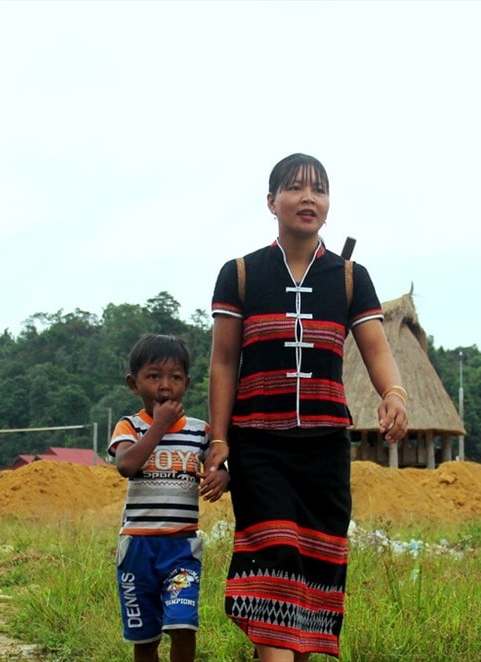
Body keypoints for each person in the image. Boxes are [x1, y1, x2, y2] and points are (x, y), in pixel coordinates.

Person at [204, 153, 409, 661]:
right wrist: (220, 439)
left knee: (315, 567)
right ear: (271, 201)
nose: (308, 198)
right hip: (260, 446)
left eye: (319, 190)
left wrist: (394, 394)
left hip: (324, 450)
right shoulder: (241, 273)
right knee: (273, 558)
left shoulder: (349, 278)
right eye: (295, 188)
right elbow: (224, 362)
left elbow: (376, 349)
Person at [109, 333, 229, 662]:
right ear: (134, 384)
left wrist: (222, 476)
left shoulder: (199, 431)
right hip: (138, 549)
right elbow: (127, 465)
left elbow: (220, 465)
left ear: (186, 384)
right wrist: (159, 426)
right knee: (145, 639)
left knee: (182, 626)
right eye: (154, 376)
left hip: (181, 548)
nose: (165, 386)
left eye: (175, 377)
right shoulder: (129, 426)